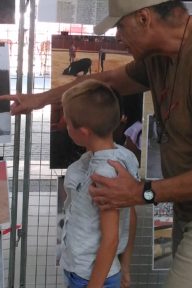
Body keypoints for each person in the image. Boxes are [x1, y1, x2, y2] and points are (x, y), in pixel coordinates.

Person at [0, 1, 192, 287]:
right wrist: (40, 100)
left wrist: (143, 193)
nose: (118, 38)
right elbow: (109, 80)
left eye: (120, 27)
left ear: (143, 18)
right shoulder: (160, 55)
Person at [60, 79, 138, 287]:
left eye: (67, 122)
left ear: (83, 131)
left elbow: (111, 239)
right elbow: (130, 216)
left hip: (91, 277)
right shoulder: (106, 159)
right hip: (82, 270)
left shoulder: (104, 174)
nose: (65, 125)